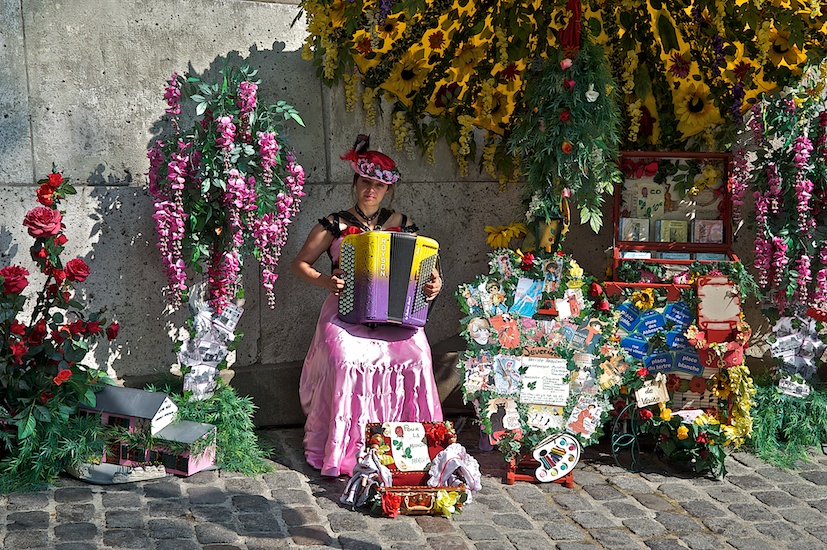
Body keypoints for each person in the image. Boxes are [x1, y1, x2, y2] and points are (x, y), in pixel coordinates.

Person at [291, 135, 443, 477]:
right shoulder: (335, 224)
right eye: (365, 182)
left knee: (418, 355)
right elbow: (300, 264)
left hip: (396, 317)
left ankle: (410, 445)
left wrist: (435, 284)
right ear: (355, 183)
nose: (371, 190)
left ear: (388, 190)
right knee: (345, 358)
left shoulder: (402, 224)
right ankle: (346, 443)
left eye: (378, 185)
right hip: (344, 309)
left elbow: (427, 269)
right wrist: (325, 282)